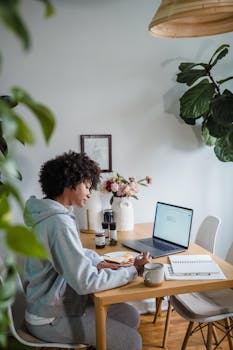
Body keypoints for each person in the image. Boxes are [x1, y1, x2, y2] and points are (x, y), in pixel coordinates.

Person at [23, 151, 151, 350]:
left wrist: (97, 261)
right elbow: (86, 282)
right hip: (50, 316)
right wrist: (132, 270)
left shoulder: (52, 213)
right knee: (132, 342)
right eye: (87, 186)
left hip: (55, 303)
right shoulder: (58, 223)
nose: (90, 193)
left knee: (130, 316)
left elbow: (73, 254)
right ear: (70, 183)